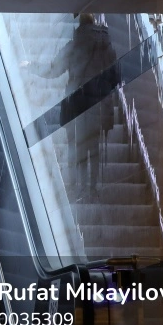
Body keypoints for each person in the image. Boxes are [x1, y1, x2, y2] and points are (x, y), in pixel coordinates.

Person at [43, 13, 121, 197]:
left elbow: (54, 71)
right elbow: (116, 77)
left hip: (76, 104)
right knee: (93, 147)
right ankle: (92, 189)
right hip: (98, 105)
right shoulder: (108, 48)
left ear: (79, 26)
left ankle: (74, 188)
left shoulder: (74, 45)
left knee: (74, 146)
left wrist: (29, 66)